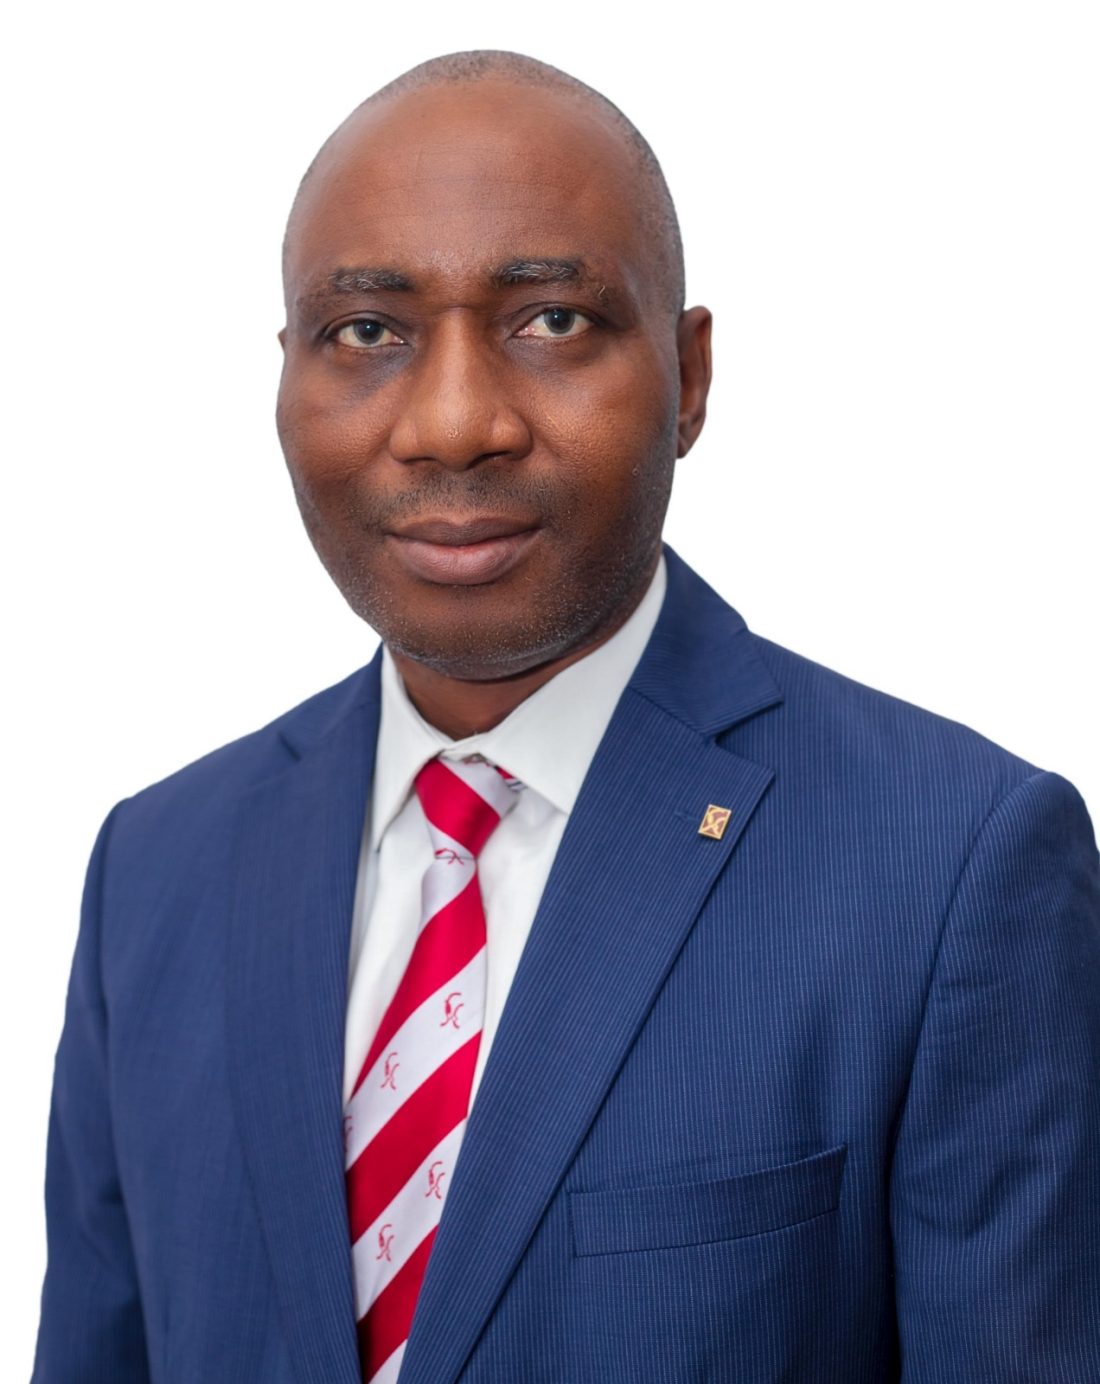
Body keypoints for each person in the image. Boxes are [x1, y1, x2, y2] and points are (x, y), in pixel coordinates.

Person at [33, 49, 1100, 1384]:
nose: (453, 422)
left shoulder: (954, 865)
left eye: (551, 320)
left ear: (688, 375)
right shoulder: (158, 869)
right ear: (285, 374)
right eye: (366, 332)